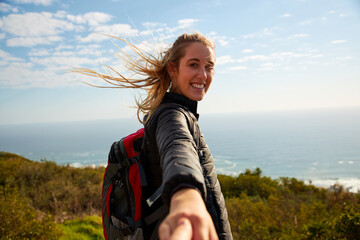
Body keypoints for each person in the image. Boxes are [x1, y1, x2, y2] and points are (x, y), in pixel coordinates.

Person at [77, 32, 232, 240]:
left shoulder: (172, 111)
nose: (203, 75)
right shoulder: (171, 115)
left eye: (209, 66)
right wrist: (186, 197)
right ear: (173, 69)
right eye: (193, 64)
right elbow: (178, 149)